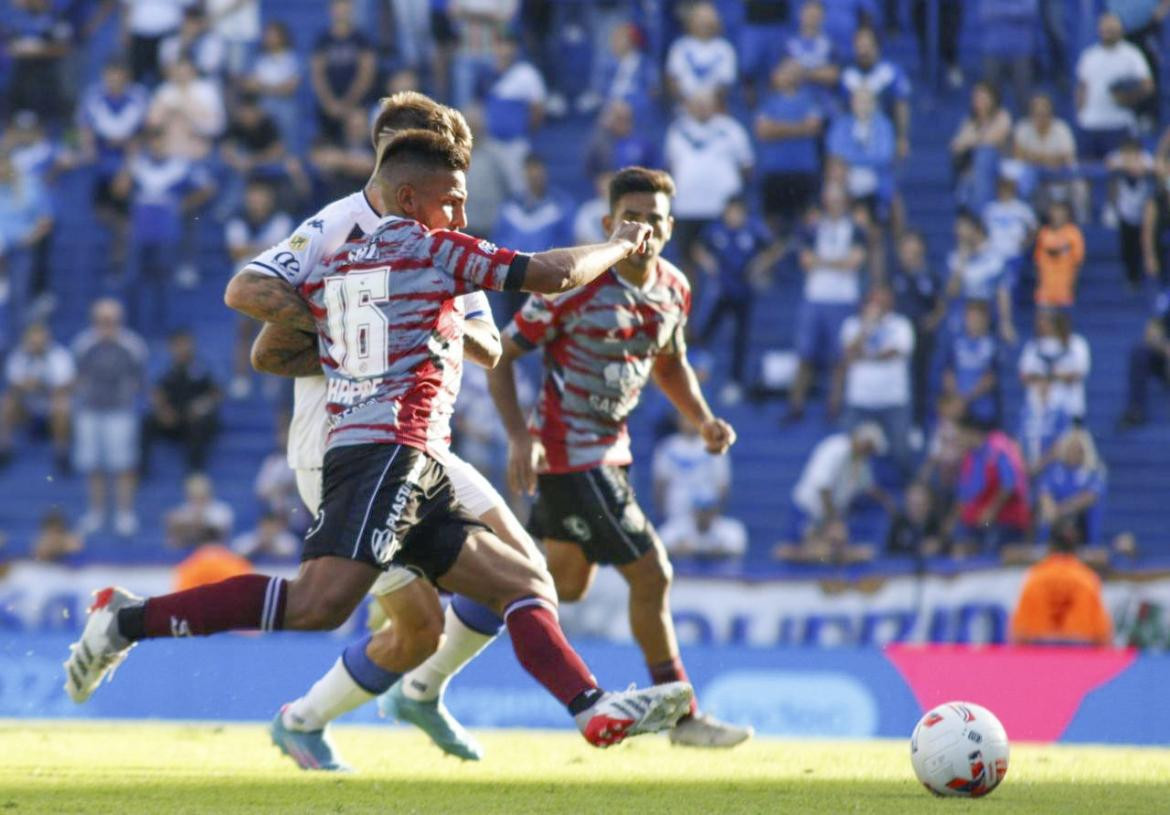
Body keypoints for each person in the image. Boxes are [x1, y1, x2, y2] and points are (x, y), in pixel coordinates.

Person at [66, 104, 694, 758]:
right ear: (406, 193)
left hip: (419, 456)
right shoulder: (418, 242)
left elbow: (268, 351)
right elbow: (550, 274)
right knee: (320, 605)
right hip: (380, 451)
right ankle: (127, 618)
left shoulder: (344, 257)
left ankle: (591, 710)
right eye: (450, 200)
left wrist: (363, 336)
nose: (459, 212)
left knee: (524, 580)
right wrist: (622, 245)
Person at [489, 166, 750, 748]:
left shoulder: (674, 288)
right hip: (570, 455)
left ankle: (450, 620)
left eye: (654, 220)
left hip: (612, 452)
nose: (643, 230)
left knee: (560, 587)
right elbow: (503, 355)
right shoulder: (576, 283)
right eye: (631, 218)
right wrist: (516, 435)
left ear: (671, 227)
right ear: (608, 224)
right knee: (652, 574)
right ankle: (684, 719)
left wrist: (702, 419)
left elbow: (669, 362)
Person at [787, 183, 867, 421]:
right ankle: (795, 406)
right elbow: (805, 261)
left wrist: (821, 262)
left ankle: (834, 407)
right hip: (816, 296)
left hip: (843, 298)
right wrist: (837, 262)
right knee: (805, 354)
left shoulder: (854, 228)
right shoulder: (813, 227)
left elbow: (855, 262)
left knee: (840, 358)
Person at [692, 197, 782, 403]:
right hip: (721, 290)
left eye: (738, 212)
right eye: (731, 212)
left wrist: (760, 264)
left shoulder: (753, 230)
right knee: (705, 333)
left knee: (740, 340)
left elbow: (774, 248)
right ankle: (696, 373)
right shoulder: (716, 231)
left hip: (743, 291)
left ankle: (735, 382)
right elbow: (698, 248)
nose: (734, 217)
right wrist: (708, 263)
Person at [71, 299, 147, 537]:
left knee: (123, 465)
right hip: (90, 410)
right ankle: (96, 512)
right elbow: (77, 377)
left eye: (110, 320)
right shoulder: (84, 345)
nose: (106, 325)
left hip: (120, 412)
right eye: (102, 321)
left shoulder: (132, 345)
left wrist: (129, 399)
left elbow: (140, 379)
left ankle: (125, 513)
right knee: (93, 464)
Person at [663, 91, 754, 279]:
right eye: (697, 103)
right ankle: (688, 304)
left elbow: (747, 165)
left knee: (726, 258)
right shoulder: (677, 130)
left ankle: (729, 297)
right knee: (687, 260)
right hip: (687, 207)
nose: (702, 107)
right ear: (688, 105)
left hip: (721, 208)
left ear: (716, 104)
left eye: (706, 102)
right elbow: (671, 166)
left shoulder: (731, 129)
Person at [773, 423, 891, 564]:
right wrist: (833, 521)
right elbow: (823, 487)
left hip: (826, 515)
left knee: (827, 550)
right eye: (870, 449)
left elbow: (868, 486)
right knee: (797, 549)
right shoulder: (836, 448)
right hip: (808, 509)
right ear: (864, 442)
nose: (870, 454)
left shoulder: (859, 462)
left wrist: (887, 502)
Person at [77, 60, 150, 278]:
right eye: (110, 75)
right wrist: (89, 151)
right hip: (103, 160)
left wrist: (128, 170)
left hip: (128, 161)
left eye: (118, 75)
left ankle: (121, 256)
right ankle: (117, 233)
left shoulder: (138, 97)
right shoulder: (94, 96)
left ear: (126, 76)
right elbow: (86, 129)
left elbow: (141, 135)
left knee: (124, 206)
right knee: (104, 212)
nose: (114, 80)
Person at [833, 286, 915, 476]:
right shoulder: (852, 324)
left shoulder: (900, 324)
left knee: (902, 451)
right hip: (860, 400)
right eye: (874, 300)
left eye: (882, 300)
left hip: (894, 400)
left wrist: (866, 356)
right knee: (847, 449)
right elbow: (848, 353)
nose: (877, 305)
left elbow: (895, 352)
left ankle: (908, 490)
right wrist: (866, 328)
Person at [224, 179, 293, 398]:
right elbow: (235, 251)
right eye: (254, 195)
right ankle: (241, 378)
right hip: (243, 286)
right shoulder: (237, 219)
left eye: (261, 195)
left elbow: (283, 249)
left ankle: (272, 379)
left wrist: (250, 248)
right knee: (243, 332)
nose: (257, 200)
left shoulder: (281, 219)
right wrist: (266, 247)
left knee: (271, 332)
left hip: (271, 285)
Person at [1010, 525, 1113, 646]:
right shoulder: (1087, 578)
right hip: (1080, 655)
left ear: (1050, 547)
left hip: (1040, 653)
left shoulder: (1035, 577)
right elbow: (1102, 634)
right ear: (1076, 548)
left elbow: (1019, 632)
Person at [755, 58, 824, 236]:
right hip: (775, 172)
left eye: (793, 72)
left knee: (808, 220)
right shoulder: (768, 101)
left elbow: (814, 127)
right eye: (785, 71)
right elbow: (763, 131)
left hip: (803, 171)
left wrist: (778, 129)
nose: (789, 76)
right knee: (772, 224)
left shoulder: (810, 99)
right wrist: (798, 127)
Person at [141, 330, 222, 475]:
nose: (182, 349)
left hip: (196, 418)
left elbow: (216, 393)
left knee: (200, 424)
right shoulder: (165, 369)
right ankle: (142, 468)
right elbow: (155, 393)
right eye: (178, 345)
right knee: (147, 421)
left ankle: (195, 471)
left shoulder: (203, 368)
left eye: (185, 344)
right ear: (171, 347)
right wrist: (163, 411)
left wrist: (202, 406)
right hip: (173, 418)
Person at [1075, 12, 1153, 160]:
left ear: (1120, 30)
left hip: (1119, 123)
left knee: (1116, 174)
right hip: (1090, 124)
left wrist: (1128, 97)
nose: (1108, 32)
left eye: (1112, 29)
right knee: (1088, 171)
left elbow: (1148, 85)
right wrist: (1081, 114)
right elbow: (1081, 88)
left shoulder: (1131, 54)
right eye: (1105, 29)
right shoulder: (1089, 55)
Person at [951, 414, 1030, 555]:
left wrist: (990, 511)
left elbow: (1008, 484)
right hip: (979, 521)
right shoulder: (970, 457)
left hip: (1005, 519)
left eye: (960, 436)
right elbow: (965, 495)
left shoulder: (998, 448)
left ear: (971, 433)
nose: (958, 440)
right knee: (959, 542)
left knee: (990, 547)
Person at [0, 322, 74, 471]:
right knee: (6, 402)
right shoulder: (19, 355)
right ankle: (4, 449)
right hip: (27, 405)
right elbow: (14, 385)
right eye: (33, 342)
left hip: (50, 405)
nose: (37, 345)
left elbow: (65, 386)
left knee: (62, 404)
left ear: (47, 340)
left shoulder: (59, 356)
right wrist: (26, 386)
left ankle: (61, 453)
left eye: (40, 341)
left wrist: (41, 385)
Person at [482, 33, 547, 195]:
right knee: (490, 190)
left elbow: (538, 109)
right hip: (491, 143)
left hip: (516, 143)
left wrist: (525, 131)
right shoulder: (486, 73)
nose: (505, 50)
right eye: (501, 45)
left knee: (519, 189)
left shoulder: (526, 73)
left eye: (509, 45)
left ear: (515, 49)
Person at [891, 230, 944, 425]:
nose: (909, 254)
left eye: (913, 249)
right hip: (897, 332)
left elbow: (940, 304)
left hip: (921, 333)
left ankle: (917, 422)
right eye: (906, 250)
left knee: (919, 378)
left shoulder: (929, 275)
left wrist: (934, 319)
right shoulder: (894, 275)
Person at [944, 210, 1016, 344]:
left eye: (962, 227)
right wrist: (961, 261)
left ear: (975, 228)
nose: (957, 232)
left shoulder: (996, 258)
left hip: (988, 319)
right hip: (962, 321)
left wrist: (1005, 322)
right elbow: (951, 292)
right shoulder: (954, 259)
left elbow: (1003, 291)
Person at [310, 0, 377, 144]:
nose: (341, 10)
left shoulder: (361, 39)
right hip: (328, 108)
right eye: (338, 5)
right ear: (331, 9)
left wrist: (348, 103)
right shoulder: (323, 40)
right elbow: (317, 74)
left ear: (351, 9)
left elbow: (366, 74)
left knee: (357, 130)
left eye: (345, 5)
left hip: (357, 105)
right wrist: (329, 102)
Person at [840, 27, 911, 159]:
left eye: (867, 46)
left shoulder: (890, 73)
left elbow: (901, 106)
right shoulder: (847, 75)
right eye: (859, 46)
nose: (863, 51)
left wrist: (902, 137)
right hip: (854, 137)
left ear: (877, 47)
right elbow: (843, 110)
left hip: (884, 134)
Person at [1012, 93, 1083, 217]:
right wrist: (1047, 158)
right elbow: (1018, 155)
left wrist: (1035, 157)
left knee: (1080, 184)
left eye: (1044, 113)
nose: (1040, 117)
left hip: (1060, 177)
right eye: (1036, 113)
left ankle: (1083, 221)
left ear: (1050, 113)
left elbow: (1065, 158)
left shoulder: (1061, 128)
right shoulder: (1023, 127)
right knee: (1019, 175)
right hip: (1032, 179)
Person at [652, 416, 731, 526]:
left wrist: (715, 514)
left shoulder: (713, 445)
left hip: (706, 513)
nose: (689, 423)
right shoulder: (667, 447)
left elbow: (722, 484)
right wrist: (663, 513)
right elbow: (660, 484)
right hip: (676, 513)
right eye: (684, 418)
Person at [1036, 428, 1107, 546]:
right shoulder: (1053, 471)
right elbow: (1045, 495)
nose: (1073, 453)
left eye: (1077, 449)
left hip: (1082, 526)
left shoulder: (1094, 472)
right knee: (1044, 516)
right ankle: (1046, 543)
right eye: (1070, 448)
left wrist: (1062, 510)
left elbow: (1089, 497)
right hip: (1055, 526)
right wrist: (1049, 509)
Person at [950, 82, 1013, 212]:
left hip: (1000, 164)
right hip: (973, 167)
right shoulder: (970, 121)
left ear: (993, 98)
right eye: (976, 97)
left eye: (983, 97)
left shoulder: (1002, 116)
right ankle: (967, 215)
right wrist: (975, 141)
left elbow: (994, 140)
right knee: (968, 170)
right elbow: (955, 145)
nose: (978, 100)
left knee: (984, 154)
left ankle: (981, 212)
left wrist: (971, 142)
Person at [1019, 309, 1091, 422]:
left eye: (1048, 320)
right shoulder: (1033, 346)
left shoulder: (1077, 343)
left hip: (1070, 408)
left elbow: (1079, 373)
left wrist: (1049, 376)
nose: (1043, 324)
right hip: (1039, 410)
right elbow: (1024, 375)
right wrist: (1048, 377)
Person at [240, 21, 301, 149]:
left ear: (282, 37)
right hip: (262, 102)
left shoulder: (291, 59)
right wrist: (275, 88)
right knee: (249, 115)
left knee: (288, 114)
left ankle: (290, 157)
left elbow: (289, 89)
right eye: (267, 35)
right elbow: (248, 84)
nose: (269, 39)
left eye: (273, 35)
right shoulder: (259, 60)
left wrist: (263, 87)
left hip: (285, 103)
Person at [941, 299, 1002, 428]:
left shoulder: (992, 344)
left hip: (982, 407)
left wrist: (966, 399)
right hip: (957, 406)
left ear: (985, 319)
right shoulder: (956, 343)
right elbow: (948, 373)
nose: (972, 322)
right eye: (970, 317)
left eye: (977, 318)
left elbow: (991, 378)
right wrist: (956, 398)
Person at [665, 2, 736, 104]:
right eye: (700, 18)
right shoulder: (680, 46)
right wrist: (689, 103)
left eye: (707, 19)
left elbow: (725, 84)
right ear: (691, 20)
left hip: (715, 109)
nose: (704, 23)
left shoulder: (724, 48)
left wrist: (707, 103)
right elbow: (672, 80)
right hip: (684, 108)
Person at [1108, 137, 1155, 289]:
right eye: (1126, 153)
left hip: (1143, 214)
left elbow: (1154, 166)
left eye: (1133, 153)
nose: (1129, 157)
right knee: (1126, 248)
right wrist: (1127, 166)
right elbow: (1110, 163)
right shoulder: (1117, 159)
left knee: (1140, 247)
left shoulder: (1146, 159)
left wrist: (1139, 167)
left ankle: (1142, 278)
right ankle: (1131, 278)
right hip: (1125, 212)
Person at [1119, 289, 1170, 427]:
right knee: (1139, 351)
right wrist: (1165, 347)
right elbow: (1151, 331)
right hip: (1165, 356)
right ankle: (1136, 410)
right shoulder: (1167, 298)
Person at [983, 174, 1037, 292]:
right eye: (1001, 188)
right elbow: (982, 231)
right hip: (993, 254)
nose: (1004, 192)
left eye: (1006, 188)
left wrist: (1026, 243)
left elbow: (1034, 229)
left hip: (1014, 254)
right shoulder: (991, 209)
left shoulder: (1022, 208)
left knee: (1008, 287)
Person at [978, 0, 1036, 109]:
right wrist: (1014, 11)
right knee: (991, 99)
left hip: (1021, 50)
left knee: (1024, 98)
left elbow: (1029, 11)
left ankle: (1025, 124)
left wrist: (1000, 11)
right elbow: (986, 12)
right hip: (993, 49)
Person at [659, 496, 747, 561]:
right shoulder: (679, 526)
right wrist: (677, 548)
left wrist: (702, 550)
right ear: (694, 511)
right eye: (701, 511)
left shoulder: (730, 528)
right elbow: (659, 546)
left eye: (708, 511)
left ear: (715, 511)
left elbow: (738, 548)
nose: (704, 516)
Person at [1033, 201, 1085, 308]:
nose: (1058, 215)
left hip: (1064, 287)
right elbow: (1037, 260)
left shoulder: (1073, 233)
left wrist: (1073, 284)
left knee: (1063, 321)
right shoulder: (1043, 233)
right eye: (1055, 211)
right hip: (1046, 287)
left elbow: (1078, 260)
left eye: (1061, 212)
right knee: (1043, 319)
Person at [165, 473, 234, 549]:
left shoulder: (221, 510)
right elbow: (173, 539)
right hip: (189, 554)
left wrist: (197, 522)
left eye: (200, 491)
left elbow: (217, 534)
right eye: (193, 492)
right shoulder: (184, 508)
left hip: (215, 553)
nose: (196, 495)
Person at [232, 511, 299, 560]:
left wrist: (271, 544)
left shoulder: (288, 540)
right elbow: (236, 554)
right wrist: (259, 545)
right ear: (260, 525)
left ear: (278, 527)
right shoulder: (249, 538)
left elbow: (290, 554)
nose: (269, 529)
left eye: (272, 526)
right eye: (266, 525)